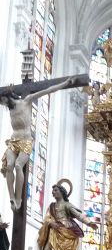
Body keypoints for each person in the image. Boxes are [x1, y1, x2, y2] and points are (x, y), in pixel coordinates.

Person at [0, 77, 78, 211]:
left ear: (7, 97)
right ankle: (12, 198)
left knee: (18, 166)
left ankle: (18, 199)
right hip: (13, 140)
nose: (2, 104)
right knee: (9, 166)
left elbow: (48, 90)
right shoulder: (10, 108)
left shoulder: (26, 101)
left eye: (2, 100)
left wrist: (65, 83)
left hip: (25, 140)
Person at [38, 181, 98, 250]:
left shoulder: (67, 205)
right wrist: (51, 223)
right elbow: (46, 219)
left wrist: (89, 223)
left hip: (64, 234)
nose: (53, 192)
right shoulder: (51, 206)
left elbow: (79, 215)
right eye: (53, 190)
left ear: (62, 192)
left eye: (56, 190)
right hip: (52, 233)